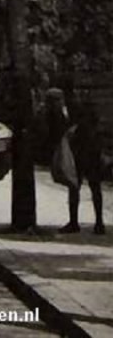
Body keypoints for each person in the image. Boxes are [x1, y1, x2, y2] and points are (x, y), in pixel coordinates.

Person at [46, 88, 105, 235]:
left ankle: (99, 222)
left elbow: (91, 128)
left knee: (94, 186)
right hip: (74, 155)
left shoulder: (77, 110)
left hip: (89, 152)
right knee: (73, 186)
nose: (52, 105)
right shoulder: (54, 115)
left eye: (54, 101)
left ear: (60, 100)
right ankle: (74, 222)